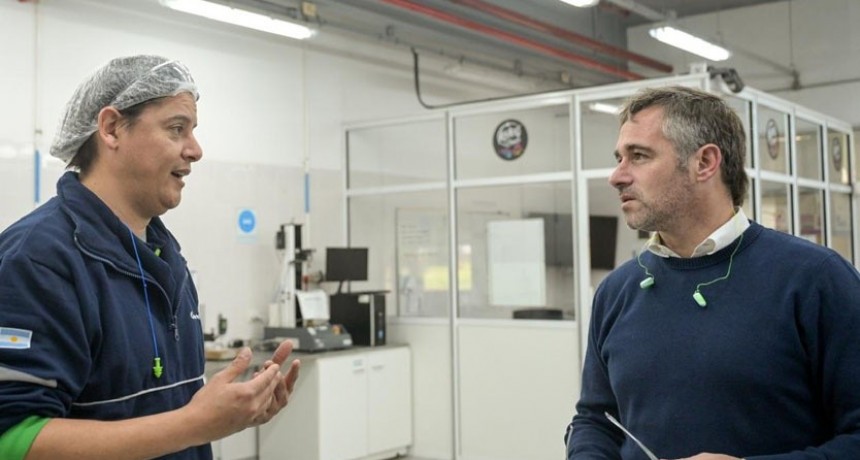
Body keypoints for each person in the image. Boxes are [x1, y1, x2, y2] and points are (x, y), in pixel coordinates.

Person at [0, 55, 300, 460]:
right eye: (177, 129)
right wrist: (195, 424)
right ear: (111, 129)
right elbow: (12, 440)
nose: (195, 150)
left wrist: (234, 410)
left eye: (193, 131)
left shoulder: (165, 257)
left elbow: (170, 418)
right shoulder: (38, 259)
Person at [566, 86, 860, 459]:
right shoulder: (616, 291)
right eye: (619, 157)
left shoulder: (816, 280)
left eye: (638, 156)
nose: (617, 176)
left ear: (705, 162)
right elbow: (596, 419)